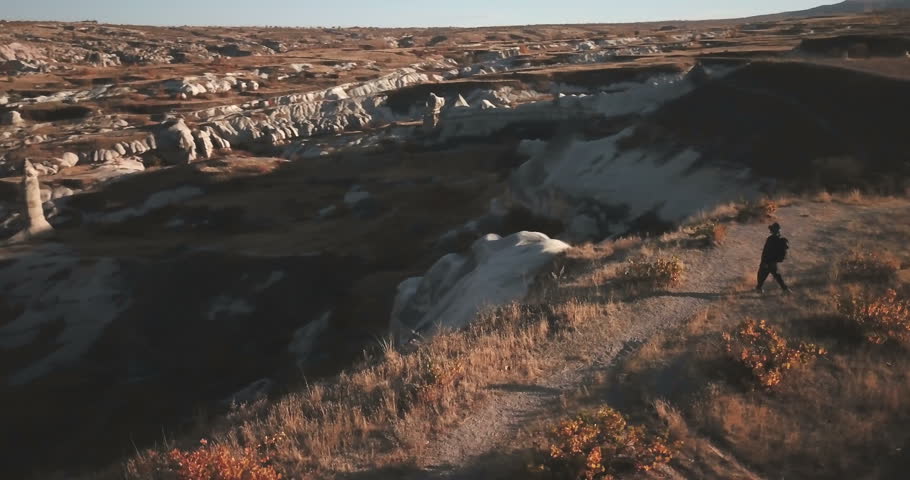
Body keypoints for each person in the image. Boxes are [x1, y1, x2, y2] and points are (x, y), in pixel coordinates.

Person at [757, 222, 790, 294]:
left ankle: (758, 289)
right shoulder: (780, 240)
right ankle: (785, 289)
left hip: (767, 261)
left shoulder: (770, 239)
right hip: (773, 261)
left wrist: (764, 262)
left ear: (772, 231)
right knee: (777, 275)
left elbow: (765, 252)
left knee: (762, 275)